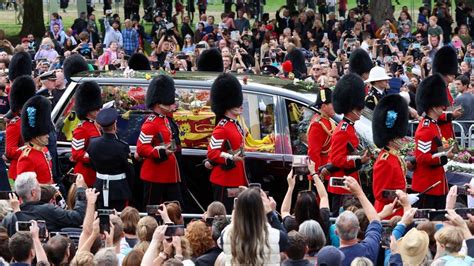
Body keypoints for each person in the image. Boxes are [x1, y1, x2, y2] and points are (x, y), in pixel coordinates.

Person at [326, 73, 370, 211]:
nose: (360, 111)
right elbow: (337, 159)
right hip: (341, 186)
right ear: (351, 109)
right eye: (358, 108)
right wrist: (359, 160)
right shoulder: (343, 130)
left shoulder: (349, 127)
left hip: (348, 182)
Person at [137, 75, 183, 206]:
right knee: (153, 211)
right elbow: (141, 148)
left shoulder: (164, 119)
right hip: (155, 175)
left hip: (168, 174)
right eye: (168, 101)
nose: (171, 104)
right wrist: (160, 152)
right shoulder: (151, 123)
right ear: (158, 103)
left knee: (175, 210)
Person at [207, 73, 247, 212]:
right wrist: (230, 157)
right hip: (224, 180)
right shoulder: (221, 127)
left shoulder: (235, 124)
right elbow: (212, 153)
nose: (240, 105)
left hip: (236, 178)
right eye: (235, 103)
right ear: (227, 104)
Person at [2, 172, 92, 233]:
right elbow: (77, 217)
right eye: (38, 186)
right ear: (33, 193)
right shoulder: (48, 210)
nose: (40, 188)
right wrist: (81, 190)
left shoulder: (9, 218)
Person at [413, 73, 452, 209]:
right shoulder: (426, 128)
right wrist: (443, 156)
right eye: (441, 105)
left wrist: (445, 151)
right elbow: (423, 158)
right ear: (434, 106)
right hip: (428, 186)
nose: (444, 107)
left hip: (436, 183)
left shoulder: (433, 125)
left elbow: (435, 148)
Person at [218, 188, 288, 265]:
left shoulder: (225, 235)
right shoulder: (276, 236)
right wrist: (270, 213)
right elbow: (287, 243)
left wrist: (234, 219)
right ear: (261, 210)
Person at [87, 108, 133, 210]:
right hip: (118, 188)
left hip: (99, 185)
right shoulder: (122, 146)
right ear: (115, 124)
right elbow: (129, 170)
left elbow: (92, 164)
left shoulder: (93, 143)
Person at [371, 94, 409, 217]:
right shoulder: (385, 160)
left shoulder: (394, 156)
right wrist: (400, 196)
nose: (402, 140)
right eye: (399, 138)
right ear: (392, 139)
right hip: (387, 213)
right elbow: (380, 193)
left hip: (398, 210)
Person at [337, 176, 382, 266]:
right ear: (358, 229)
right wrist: (359, 193)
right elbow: (375, 220)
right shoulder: (369, 247)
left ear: (336, 232)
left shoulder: (332, 257)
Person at [16, 96, 54, 184]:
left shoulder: (44, 149)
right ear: (36, 135)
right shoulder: (27, 158)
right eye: (44, 133)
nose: (48, 136)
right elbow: (26, 188)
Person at [71, 81, 102, 187]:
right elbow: (76, 153)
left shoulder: (95, 125)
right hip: (85, 174)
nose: (99, 110)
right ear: (88, 109)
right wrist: (94, 157)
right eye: (96, 109)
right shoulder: (81, 129)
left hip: (94, 172)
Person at [5, 76, 36, 181]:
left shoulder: (35, 121)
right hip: (19, 172)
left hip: (35, 169)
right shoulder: (15, 124)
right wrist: (30, 150)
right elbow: (10, 151)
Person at [432, 46, 464, 140]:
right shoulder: (436, 88)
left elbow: (447, 107)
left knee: (451, 154)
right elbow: (433, 112)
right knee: (441, 154)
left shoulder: (445, 88)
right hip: (439, 132)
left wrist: (456, 110)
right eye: (451, 73)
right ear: (445, 72)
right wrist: (452, 114)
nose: (454, 75)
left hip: (448, 131)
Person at [307, 88, 336, 176]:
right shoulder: (317, 124)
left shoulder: (328, 120)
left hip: (330, 168)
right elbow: (313, 154)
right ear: (324, 106)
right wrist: (316, 175)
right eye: (333, 103)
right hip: (323, 172)